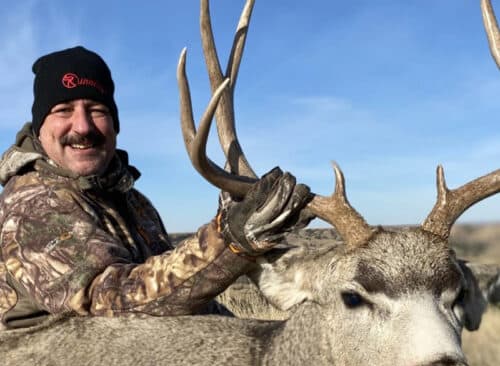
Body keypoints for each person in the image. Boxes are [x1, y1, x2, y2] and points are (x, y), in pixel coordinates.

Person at [0, 46, 312, 329]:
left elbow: (179, 300)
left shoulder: (133, 202)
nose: (82, 127)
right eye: (63, 110)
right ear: (40, 127)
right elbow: (105, 304)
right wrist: (228, 240)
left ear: (114, 124)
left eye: (97, 110)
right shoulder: (31, 204)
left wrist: (259, 337)